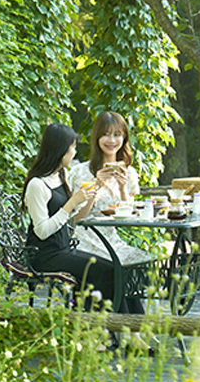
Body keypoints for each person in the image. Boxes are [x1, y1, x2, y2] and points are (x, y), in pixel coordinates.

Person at [24, 122, 144, 315]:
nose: (74, 153)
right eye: (72, 148)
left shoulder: (60, 176)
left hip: (64, 248)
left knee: (116, 270)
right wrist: (71, 203)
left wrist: (96, 186)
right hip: (45, 256)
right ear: (60, 150)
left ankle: (133, 326)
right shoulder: (37, 185)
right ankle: (103, 326)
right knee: (105, 273)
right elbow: (42, 231)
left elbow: (73, 219)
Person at [66, 111, 155, 266]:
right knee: (113, 266)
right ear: (97, 138)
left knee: (145, 260)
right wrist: (96, 186)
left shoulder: (129, 173)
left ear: (124, 138)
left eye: (117, 135)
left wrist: (122, 189)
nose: (112, 140)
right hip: (85, 241)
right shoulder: (80, 172)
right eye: (106, 134)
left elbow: (129, 218)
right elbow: (77, 219)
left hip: (113, 241)